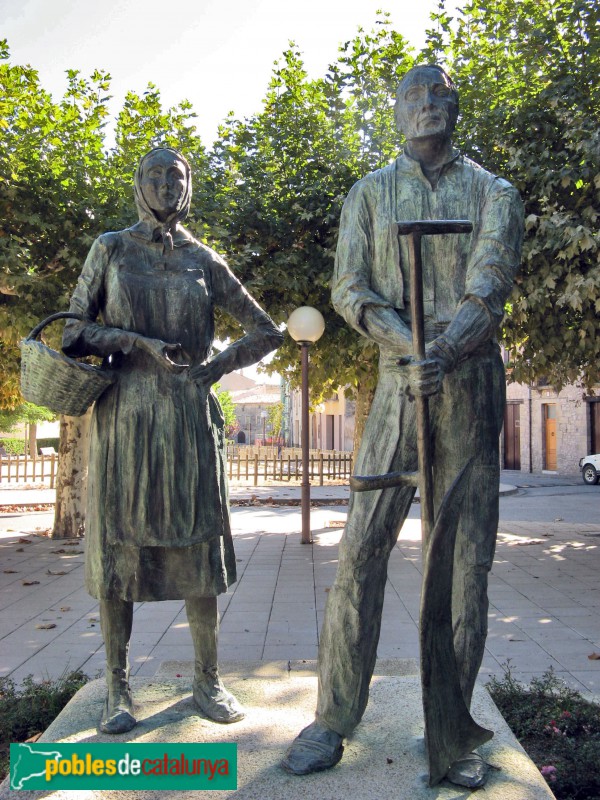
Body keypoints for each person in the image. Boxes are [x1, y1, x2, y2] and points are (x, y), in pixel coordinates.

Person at [282, 65, 523, 786]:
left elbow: (491, 283)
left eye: (437, 95)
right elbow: (350, 288)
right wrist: (411, 346)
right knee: (360, 551)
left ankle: (452, 731)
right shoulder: (369, 194)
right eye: (411, 97)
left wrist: (446, 349)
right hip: (396, 387)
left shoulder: (494, 193)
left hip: (470, 386)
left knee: (466, 569)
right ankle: (332, 716)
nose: (424, 107)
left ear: (456, 104)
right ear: (396, 112)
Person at [63, 147, 283, 734]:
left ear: (189, 187)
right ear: (139, 185)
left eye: (176, 175)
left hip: (188, 417)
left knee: (197, 550)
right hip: (126, 418)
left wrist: (214, 369)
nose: (165, 184)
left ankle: (207, 679)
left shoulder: (203, 259)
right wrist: (134, 342)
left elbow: (268, 331)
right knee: (118, 551)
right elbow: (70, 330)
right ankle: (117, 686)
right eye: (154, 175)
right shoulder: (110, 248)